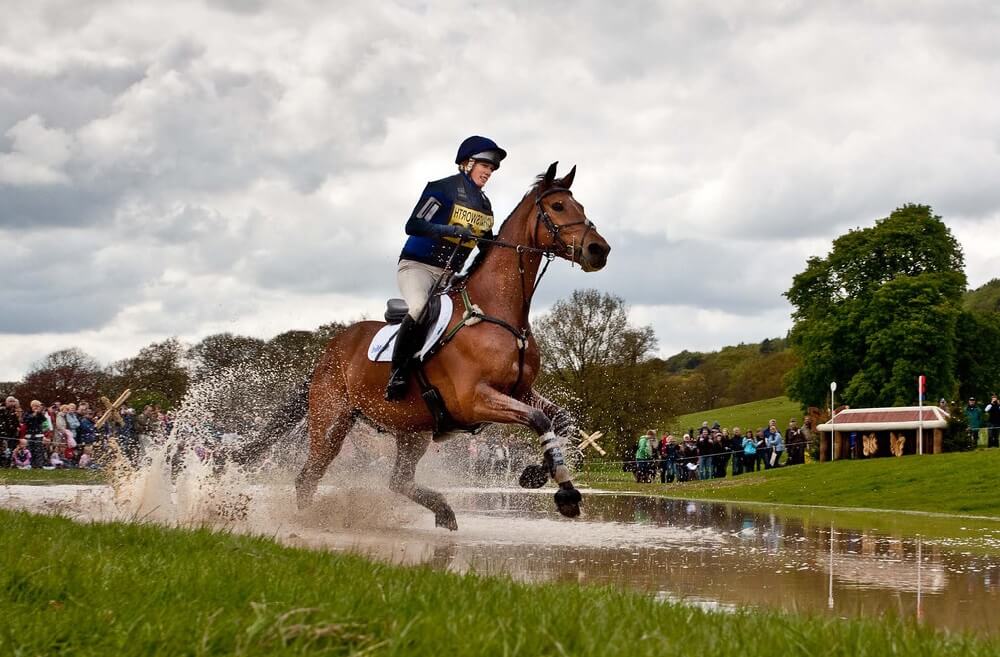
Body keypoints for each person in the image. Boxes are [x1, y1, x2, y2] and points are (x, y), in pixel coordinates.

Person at [385, 135, 506, 401]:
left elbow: (486, 246)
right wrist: (448, 230)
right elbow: (413, 225)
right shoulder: (442, 189)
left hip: (450, 278)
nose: (489, 172)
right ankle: (398, 373)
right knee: (419, 309)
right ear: (468, 163)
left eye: (492, 168)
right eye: (485, 165)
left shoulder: (485, 206)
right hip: (417, 267)